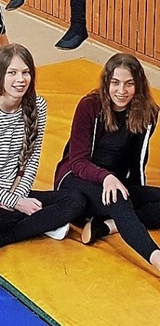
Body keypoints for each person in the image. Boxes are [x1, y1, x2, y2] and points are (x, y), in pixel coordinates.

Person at [0, 44, 85, 260]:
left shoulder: (38, 106)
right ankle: (43, 224)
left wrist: (17, 198)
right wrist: (16, 204)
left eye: (26, 72)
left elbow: (32, 158)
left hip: (18, 192)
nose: (21, 79)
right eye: (12, 73)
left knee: (76, 200)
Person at [55, 53, 160, 271]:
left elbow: (138, 160)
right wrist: (107, 178)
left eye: (129, 84)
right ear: (107, 83)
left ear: (138, 85)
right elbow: (78, 162)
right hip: (75, 180)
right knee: (120, 200)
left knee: (136, 199)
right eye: (116, 83)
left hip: (113, 183)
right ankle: (156, 259)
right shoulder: (89, 106)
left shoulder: (148, 112)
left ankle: (108, 225)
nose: (121, 91)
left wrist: (135, 196)